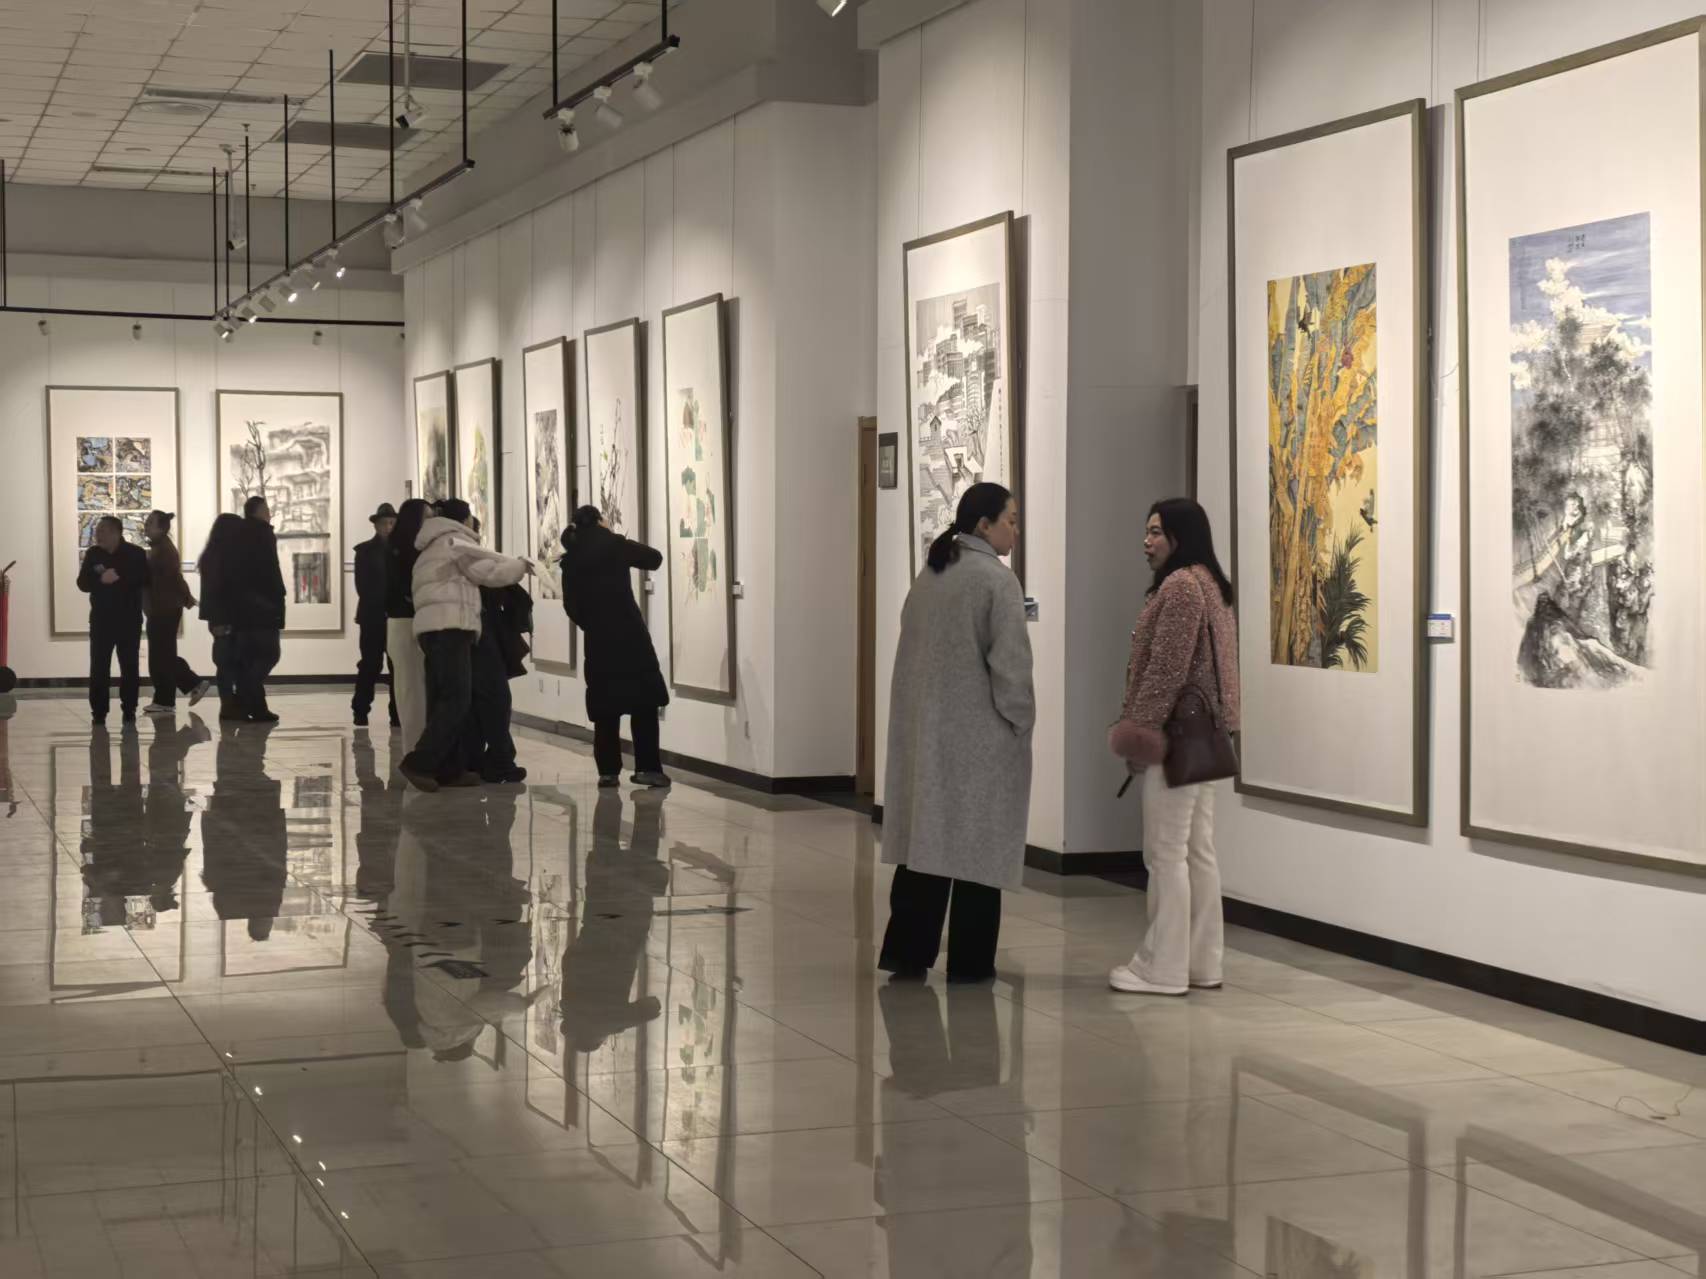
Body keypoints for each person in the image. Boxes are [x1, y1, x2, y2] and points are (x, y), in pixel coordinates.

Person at [878, 482, 1033, 984]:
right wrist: (1021, 720)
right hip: (980, 737)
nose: (1016, 529)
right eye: (1010, 519)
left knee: (926, 844)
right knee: (977, 852)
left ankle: (907, 953)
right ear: (984, 525)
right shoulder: (997, 581)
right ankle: (970, 962)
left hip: (927, 733)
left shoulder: (931, 574)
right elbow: (1011, 668)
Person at [1107, 497, 1240, 997]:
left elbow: (1166, 670)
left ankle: (1161, 968)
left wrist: (1139, 733)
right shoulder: (1211, 584)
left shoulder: (1182, 586)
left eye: (1157, 532)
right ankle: (1202, 963)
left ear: (1181, 536)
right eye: (1147, 531)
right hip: (1206, 737)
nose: (1147, 541)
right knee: (1197, 850)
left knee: (1165, 852)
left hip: (1175, 738)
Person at [399, 498, 530, 792]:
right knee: (457, 699)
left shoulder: (430, 545)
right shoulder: (455, 541)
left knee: (442, 698)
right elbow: (489, 574)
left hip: (431, 630)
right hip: (452, 627)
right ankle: (420, 763)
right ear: (465, 519)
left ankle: (448, 770)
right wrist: (521, 565)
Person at [558, 506, 671, 789]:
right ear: (599, 521)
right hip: (630, 635)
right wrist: (613, 536)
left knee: (605, 707)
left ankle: (608, 772)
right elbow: (654, 558)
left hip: (599, 639)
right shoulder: (614, 545)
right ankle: (648, 768)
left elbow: (571, 606)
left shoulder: (571, 558)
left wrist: (592, 624)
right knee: (644, 703)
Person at [77, 514, 150, 726]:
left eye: (103, 531)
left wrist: (119, 577)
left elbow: (144, 579)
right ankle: (99, 712)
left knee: (129, 666)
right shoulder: (93, 554)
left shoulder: (135, 553)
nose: (98, 535)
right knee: (99, 667)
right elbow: (82, 583)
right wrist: (101, 579)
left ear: (117, 533)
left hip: (129, 619)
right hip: (101, 620)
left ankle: (129, 709)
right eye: (97, 531)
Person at [140, 510, 211, 715]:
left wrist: (187, 597)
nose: (146, 526)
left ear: (161, 528)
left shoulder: (164, 550)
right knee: (162, 655)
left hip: (163, 609)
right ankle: (169, 697)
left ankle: (184, 689)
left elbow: (173, 578)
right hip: (162, 608)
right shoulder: (160, 548)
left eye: (150, 523)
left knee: (161, 656)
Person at [233, 495, 287, 723]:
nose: (269, 512)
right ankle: (244, 697)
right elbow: (270, 569)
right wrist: (278, 598)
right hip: (264, 606)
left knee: (251, 657)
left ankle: (255, 707)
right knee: (269, 654)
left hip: (243, 607)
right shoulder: (263, 533)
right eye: (266, 508)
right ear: (258, 511)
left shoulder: (238, 534)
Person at [386, 499, 431, 751]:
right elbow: (401, 589)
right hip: (405, 623)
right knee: (411, 691)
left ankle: (417, 748)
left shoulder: (400, 547)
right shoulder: (401, 551)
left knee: (413, 689)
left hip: (406, 623)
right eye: (427, 517)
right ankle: (414, 750)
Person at [353, 503, 401, 729]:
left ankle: (397, 713)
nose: (389, 527)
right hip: (372, 616)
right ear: (376, 525)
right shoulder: (364, 551)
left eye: (392, 523)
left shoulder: (402, 551)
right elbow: (362, 586)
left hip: (395, 617)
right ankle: (360, 709)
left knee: (396, 666)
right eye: (384, 523)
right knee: (370, 664)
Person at [197, 513, 247, 721]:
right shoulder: (225, 557)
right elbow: (218, 591)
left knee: (225, 663)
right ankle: (230, 704)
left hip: (219, 618)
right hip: (227, 617)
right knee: (230, 662)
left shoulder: (211, 556)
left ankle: (228, 704)